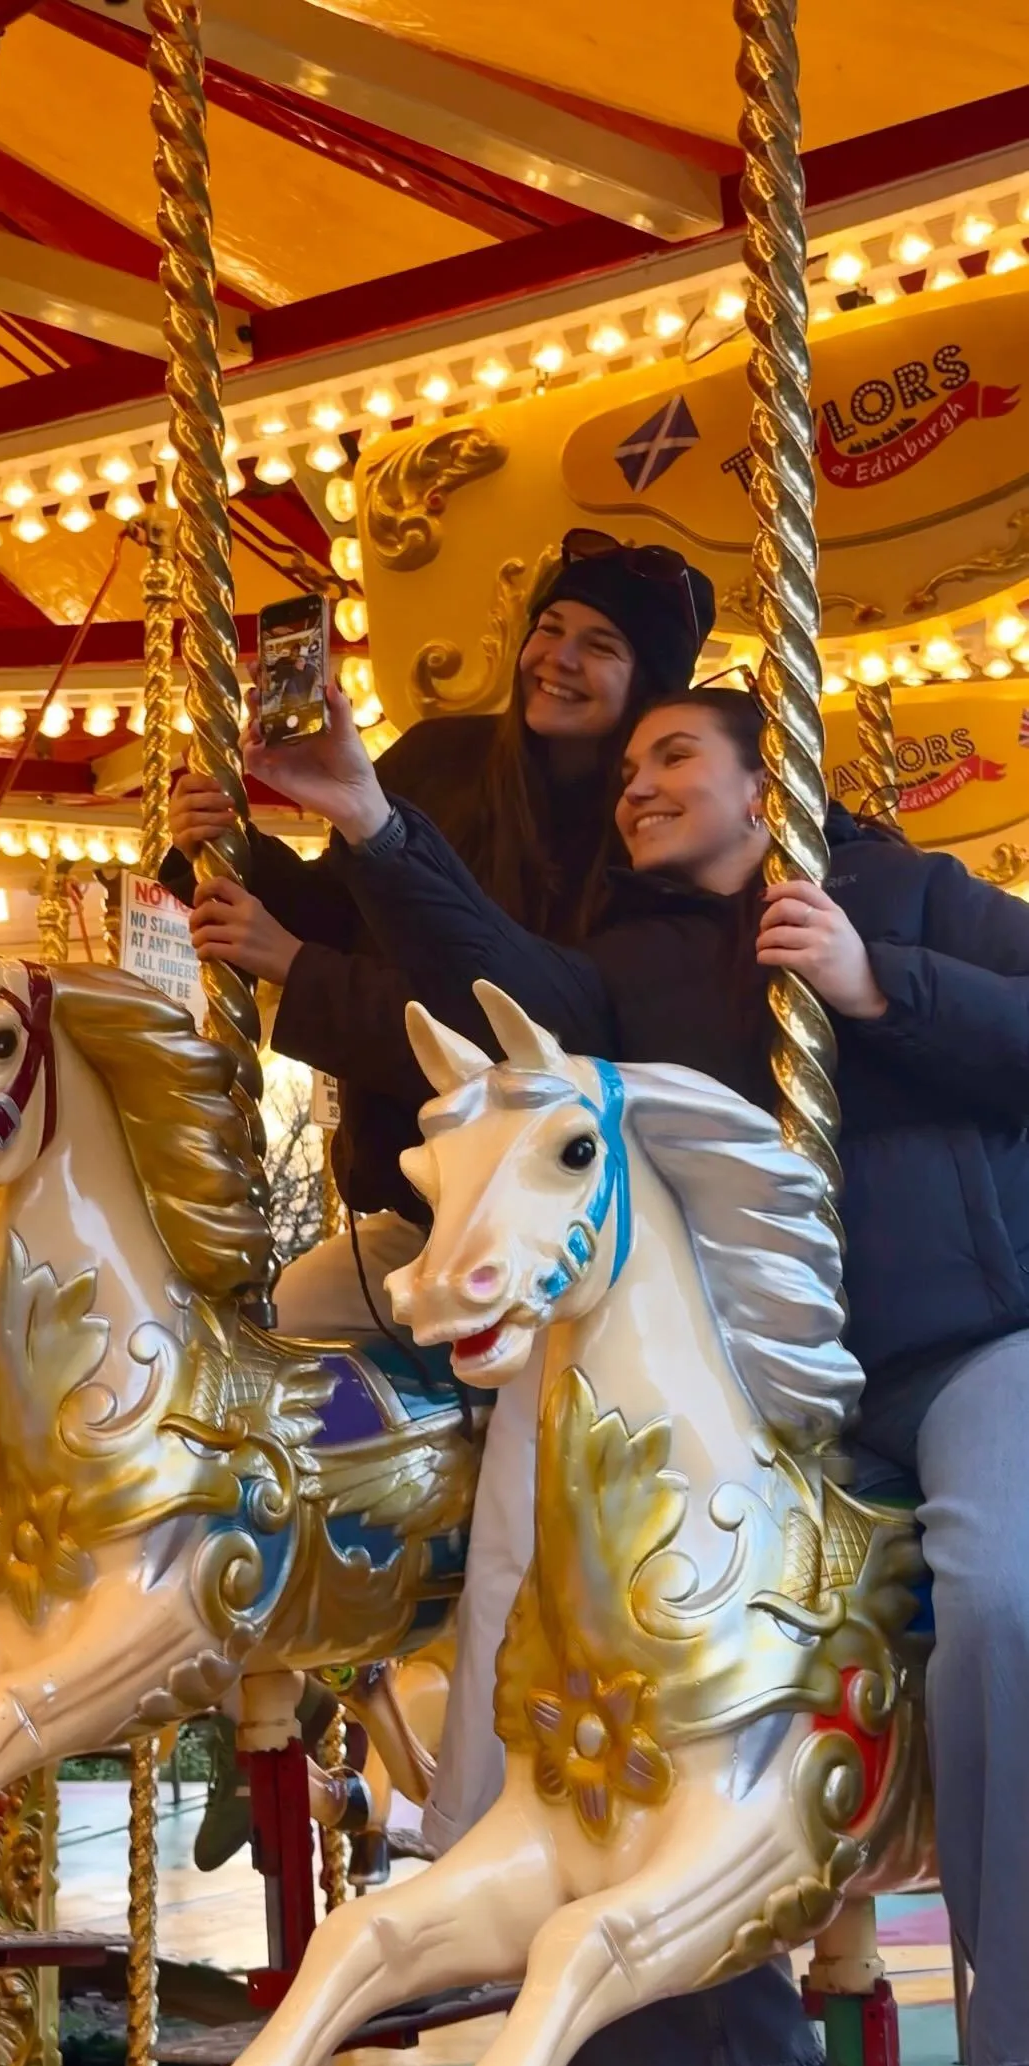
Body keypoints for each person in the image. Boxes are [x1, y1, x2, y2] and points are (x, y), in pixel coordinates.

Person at [244, 675, 1029, 2066]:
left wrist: (873, 982)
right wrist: (371, 823)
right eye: (625, 775)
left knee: (1006, 1597)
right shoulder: (630, 970)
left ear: (763, 779)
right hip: (775, 1388)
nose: (638, 785)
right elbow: (487, 981)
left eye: (672, 755)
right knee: (614, 1636)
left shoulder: (912, 897)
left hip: (966, 1351)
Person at [162, 539, 718, 1880]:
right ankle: (270, 1682)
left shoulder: (635, 841)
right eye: (550, 629)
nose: (559, 659)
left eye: (599, 645)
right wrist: (221, 857)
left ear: (647, 683)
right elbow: (365, 928)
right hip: (412, 1219)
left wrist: (299, 965)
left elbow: (514, 1037)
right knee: (246, 1364)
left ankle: (465, 1820)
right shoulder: (438, 765)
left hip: (559, 1252)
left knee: (526, 1518)